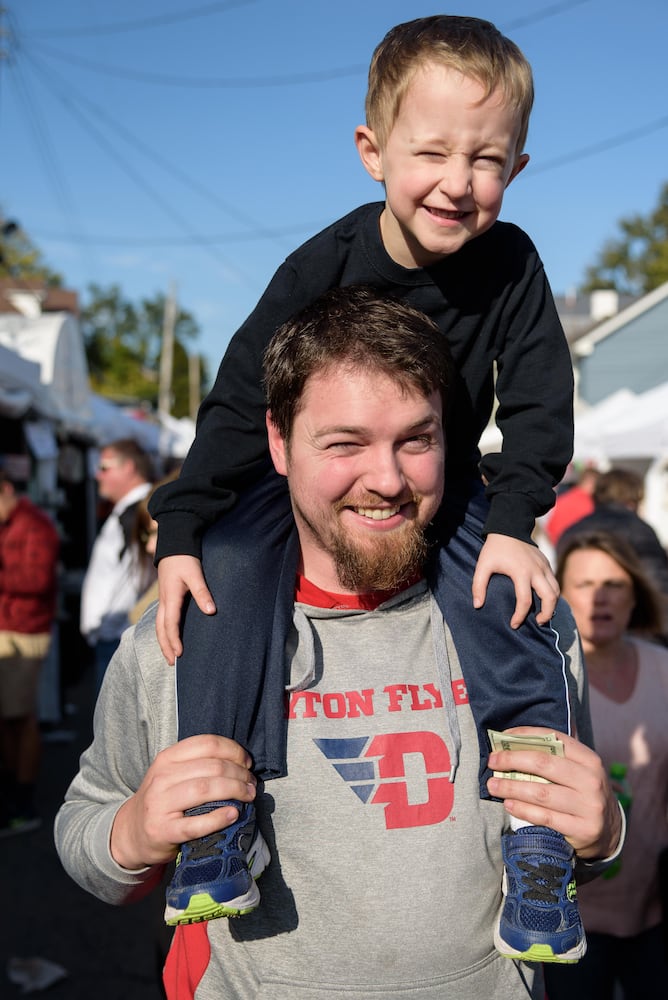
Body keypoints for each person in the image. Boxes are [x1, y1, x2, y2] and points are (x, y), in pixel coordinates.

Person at [56, 289, 623, 1000]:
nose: (386, 481)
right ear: (277, 443)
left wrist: (604, 835)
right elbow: (86, 826)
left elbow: (579, 857)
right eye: (345, 443)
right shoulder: (183, 632)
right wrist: (133, 833)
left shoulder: (529, 623)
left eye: (416, 440)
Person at [147, 14, 576, 931]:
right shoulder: (324, 266)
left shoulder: (514, 264)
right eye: (432, 153)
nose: (459, 185)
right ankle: (219, 817)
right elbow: (235, 400)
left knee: (508, 597)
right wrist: (181, 529)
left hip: (446, 480)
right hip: (301, 491)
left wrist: (516, 524)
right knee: (227, 576)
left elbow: (541, 399)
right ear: (372, 152)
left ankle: (538, 838)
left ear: (518, 168)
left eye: (488, 161)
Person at [544, 530, 668, 1000]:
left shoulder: (663, 668)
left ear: (634, 595)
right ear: (558, 593)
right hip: (571, 921)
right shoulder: (544, 681)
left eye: (614, 585)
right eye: (585, 585)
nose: (600, 598)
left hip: (654, 912)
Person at [0, 465, 60, 835]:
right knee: (10, 718)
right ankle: (14, 792)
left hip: (24, 630)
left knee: (19, 718)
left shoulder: (35, 524)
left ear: (6, 489)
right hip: (10, 627)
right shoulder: (13, 523)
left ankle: (23, 799)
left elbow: (38, 580)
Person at [80, 438, 155, 692]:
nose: (97, 475)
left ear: (129, 467)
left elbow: (145, 576)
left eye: (104, 467)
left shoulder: (140, 511)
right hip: (115, 635)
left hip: (122, 636)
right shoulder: (129, 511)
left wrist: (116, 627)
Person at [544, 465, 599, 547]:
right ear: (591, 482)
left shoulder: (564, 498)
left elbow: (549, 527)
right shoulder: (587, 503)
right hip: (572, 546)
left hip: (557, 545)